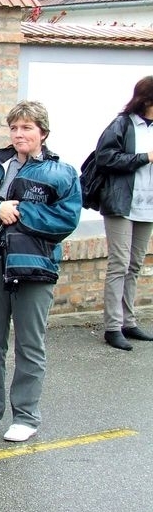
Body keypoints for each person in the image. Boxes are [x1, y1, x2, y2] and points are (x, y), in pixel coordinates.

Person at [0, 100, 81, 442]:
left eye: (26, 127)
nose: (19, 134)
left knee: (30, 344)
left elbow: (66, 219)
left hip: (35, 268)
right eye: (14, 128)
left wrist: (21, 212)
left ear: (43, 132)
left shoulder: (61, 172)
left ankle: (26, 416)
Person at [93, 76, 153, 351]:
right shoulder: (123, 124)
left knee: (135, 265)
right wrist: (145, 157)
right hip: (121, 203)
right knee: (119, 264)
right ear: (147, 99)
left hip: (147, 205)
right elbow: (104, 157)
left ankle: (128, 322)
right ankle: (113, 327)